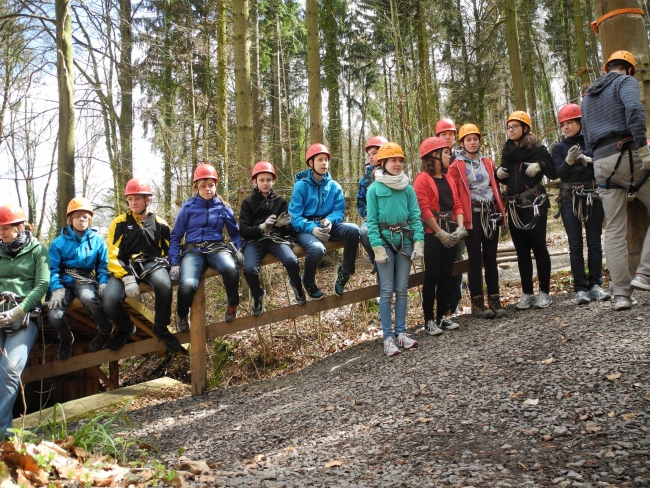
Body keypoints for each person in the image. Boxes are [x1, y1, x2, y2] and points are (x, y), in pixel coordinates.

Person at [581, 50, 650, 310]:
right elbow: (633, 109)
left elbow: (587, 135)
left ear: (606, 68)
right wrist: (642, 148)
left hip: (601, 162)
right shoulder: (626, 82)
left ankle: (621, 294)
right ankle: (644, 272)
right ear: (630, 69)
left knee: (614, 229)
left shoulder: (588, 97)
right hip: (627, 154)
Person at [104, 178, 182, 353]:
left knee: (163, 286)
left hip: (152, 263)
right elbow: (113, 253)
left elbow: (171, 248)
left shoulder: (160, 224)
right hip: (125, 266)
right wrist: (125, 276)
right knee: (109, 299)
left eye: (137, 199)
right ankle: (125, 328)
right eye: (130, 199)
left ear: (148, 200)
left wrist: (175, 265)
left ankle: (161, 328)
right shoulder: (119, 223)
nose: (133, 203)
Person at [367, 142, 425, 357]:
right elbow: (371, 222)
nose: (398, 164)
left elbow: (415, 217)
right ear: (383, 163)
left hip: (405, 240)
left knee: (402, 288)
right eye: (393, 160)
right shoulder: (374, 190)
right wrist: (377, 247)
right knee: (386, 290)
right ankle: (388, 337)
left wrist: (419, 242)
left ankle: (401, 332)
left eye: (400, 160)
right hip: (384, 240)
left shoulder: (407, 188)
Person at [169, 164, 243, 328]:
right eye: (203, 185)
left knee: (231, 268)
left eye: (211, 185)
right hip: (193, 251)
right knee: (187, 284)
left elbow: (235, 233)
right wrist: (174, 262)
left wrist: (238, 248)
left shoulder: (223, 207)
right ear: (197, 186)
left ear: (216, 185)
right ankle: (182, 314)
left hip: (216, 248)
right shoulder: (188, 207)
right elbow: (175, 236)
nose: (208, 189)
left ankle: (232, 304)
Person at [497, 111, 556, 309]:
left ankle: (545, 293)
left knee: (539, 248)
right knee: (522, 251)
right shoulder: (507, 151)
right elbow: (507, 176)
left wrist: (540, 165)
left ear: (525, 128)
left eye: (515, 126)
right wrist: (499, 175)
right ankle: (528, 293)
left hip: (534, 204)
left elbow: (553, 170)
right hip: (514, 206)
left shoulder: (537, 149)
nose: (511, 130)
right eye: (508, 127)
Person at [552, 104, 610, 305]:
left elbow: (599, 167)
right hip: (569, 197)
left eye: (570, 123)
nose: (566, 127)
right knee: (575, 243)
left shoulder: (592, 144)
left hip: (591, 194)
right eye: (563, 124)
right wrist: (568, 162)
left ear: (579, 122)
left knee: (594, 241)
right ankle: (580, 288)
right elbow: (559, 173)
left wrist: (588, 161)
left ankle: (595, 285)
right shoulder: (559, 148)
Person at [448, 124, 507, 319]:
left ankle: (495, 299)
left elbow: (495, 187)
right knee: (475, 258)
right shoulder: (456, 166)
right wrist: (459, 220)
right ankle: (477, 302)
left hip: (489, 212)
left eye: (475, 139)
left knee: (491, 257)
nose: (472, 142)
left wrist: (501, 213)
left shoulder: (489, 163)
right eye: (468, 139)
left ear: (480, 141)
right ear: (462, 143)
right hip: (471, 214)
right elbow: (454, 193)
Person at [0, 204, 49, 437]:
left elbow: (42, 285)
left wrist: (19, 311)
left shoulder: (38, 250)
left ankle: (1, 433)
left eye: (5, 229)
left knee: (9, 370)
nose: (1, 233)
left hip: (24, 317)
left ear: (19, 227)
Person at [289, 143, 360, 299]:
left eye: (326, 160)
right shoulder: (300, 186)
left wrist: (329, 220)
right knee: (317, 249)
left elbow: (339, 211)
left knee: (354, 230)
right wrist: (312, 228)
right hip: (305, 229)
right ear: (310, 163)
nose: (324, 163)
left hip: (327, 226)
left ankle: (345, 272)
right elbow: (294, 217)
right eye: (320, 159)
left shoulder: (334, 186)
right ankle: (307, 280)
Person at [48, 197, 113, 358]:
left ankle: (105, 329)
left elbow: (103, 265)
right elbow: (52, 269)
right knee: (54, 315)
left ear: (89, 219)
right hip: (64, 280)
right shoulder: (58, 242)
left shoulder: (97, 240)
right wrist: (56, 288)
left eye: (85, 216)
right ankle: (66, 338)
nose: (82, 219)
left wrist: (103, 282)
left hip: (84, 279)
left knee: (88, 297)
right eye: (78, 216)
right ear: (71, 219)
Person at [414, 137, 466, 335]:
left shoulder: (449, 179)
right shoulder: (422, 179)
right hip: (432, 233)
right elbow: (424, 209)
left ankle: (442, 316)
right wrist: (439, 233)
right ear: (434, 155)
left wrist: (459, 228)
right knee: (432, 276)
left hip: (450, 229)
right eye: (445, 153)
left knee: (447, 274)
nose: (449, 155)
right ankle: (428, 319)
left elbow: (457, 205)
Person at [239, 161, 306, 315]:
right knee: (249, 269)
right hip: (255, 241)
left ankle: (296, 286)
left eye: (268, 180)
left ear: (273, 181)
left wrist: (282, 225)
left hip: (275, 239)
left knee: (291, 260)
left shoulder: (280, 202)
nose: (265, 183)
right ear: (254, 181)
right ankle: (257, 295)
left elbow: (289, 231)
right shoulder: (247, 203)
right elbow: (244, 230)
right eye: (261, 180)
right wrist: (261, 228)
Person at [436, 118, 464, 316]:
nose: (447, 138)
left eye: (450, 134)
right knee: (440, 262)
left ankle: (454, 302)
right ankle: (442, 304)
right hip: (438, 218)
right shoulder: (431, 159)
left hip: (458, 214)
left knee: (457, 258)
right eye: (443, 134)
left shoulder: (461, 159)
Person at [357, 136, 388, 268]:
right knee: (364, 232)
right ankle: (374, 259)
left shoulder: (393, 174)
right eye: (369, 154)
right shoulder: (366, 177)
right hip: (370, 217)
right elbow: (360, 201)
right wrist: (366, 215)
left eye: (374, 153)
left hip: (390, 218)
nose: (370, 157)